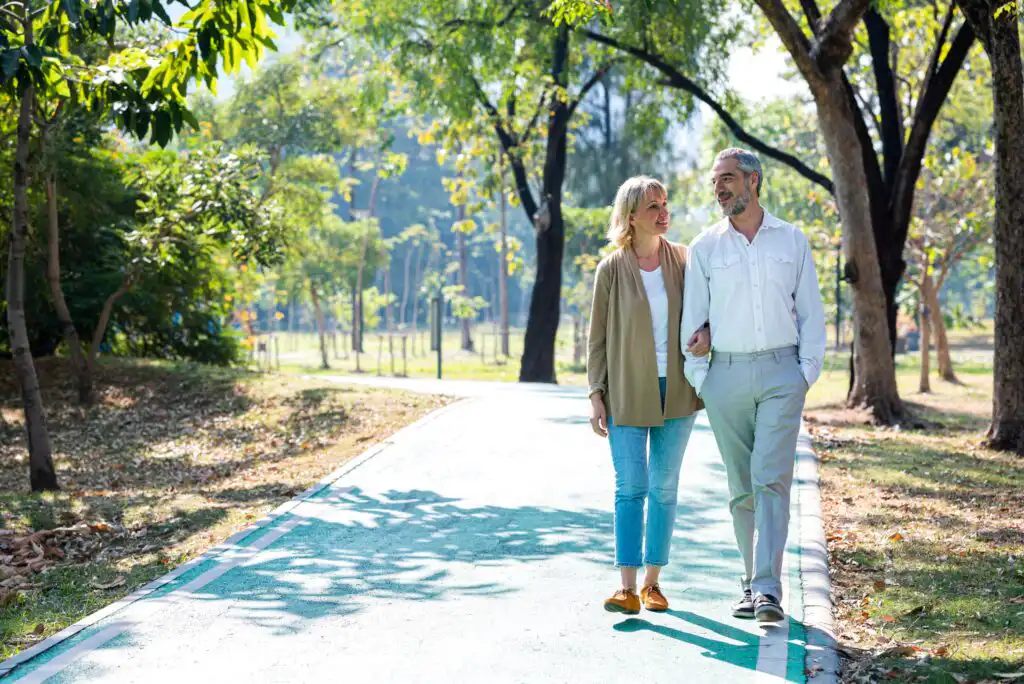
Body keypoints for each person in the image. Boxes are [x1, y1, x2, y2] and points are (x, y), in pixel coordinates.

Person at [681, 148, 826, 622]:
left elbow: (811, 314)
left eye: (727, 178)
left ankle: (767, 589)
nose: (719, 188)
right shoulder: (704, 247)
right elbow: (692, 324)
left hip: (783, 374)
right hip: (725, 376)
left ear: (753, 181)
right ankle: (750, 583)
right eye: (715, 181)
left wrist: (804, 374)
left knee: (771, 480)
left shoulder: (791, 240)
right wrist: (704, 379)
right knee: (742, 488)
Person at [587, 175, 710, 615]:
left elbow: (707, 311)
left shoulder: (685, 260)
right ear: (631, 216)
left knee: (664, 487)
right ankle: (625, 586)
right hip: (625, 390)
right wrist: (595, 392)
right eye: (653, 206)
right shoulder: (611, 268)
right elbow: (597, 336)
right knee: (630, 486)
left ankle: (653, 583)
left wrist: (708, 334)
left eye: (665, 203)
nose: (663, 212)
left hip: (677, 389)